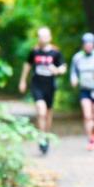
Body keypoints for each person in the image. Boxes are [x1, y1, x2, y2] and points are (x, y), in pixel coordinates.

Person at [18, 27, 67, 155]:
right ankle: (42, 138)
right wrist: (22, 81)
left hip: (50, 86)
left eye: (45, 36)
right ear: (38, 38)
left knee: (48, 114)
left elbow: (63, 67)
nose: (43, 38)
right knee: (41, 111)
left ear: (50, 37)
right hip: (37, 85)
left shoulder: (55, 52)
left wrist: (56, 70)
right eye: (40, 36)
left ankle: (46, 135)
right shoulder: (34, 51)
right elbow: (27, 65)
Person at [70, 32, 94, 151]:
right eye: (86, 44)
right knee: (87, 115)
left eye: (91, 44)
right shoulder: (77, 57)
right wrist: (74, 80)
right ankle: (90, 139)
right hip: (85, 90)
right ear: (83, 45)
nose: (88, 46)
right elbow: (73, 72)